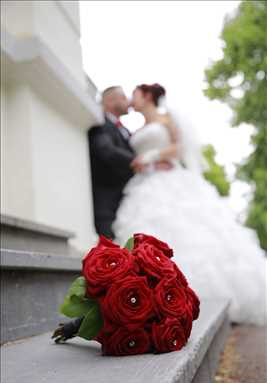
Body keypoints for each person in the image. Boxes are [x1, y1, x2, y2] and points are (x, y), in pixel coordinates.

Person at [113, 83, 267, 325]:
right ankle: (153, 297)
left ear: (147, 96)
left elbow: (179, 147)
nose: (133, 99)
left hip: (169, 179)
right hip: (143, 184)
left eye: (135, 94)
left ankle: (196, 296)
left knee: (189, 231)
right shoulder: (137, 128)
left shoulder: (166, 119)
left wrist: (153, 156)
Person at [89, 86, 172, 239]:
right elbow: (105, 149)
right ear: (110, 101)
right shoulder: (100, 122)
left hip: (128, 196)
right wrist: (141, 162)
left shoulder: (125, 130)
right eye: (123, 97)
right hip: (107, 202)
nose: (128, 102)